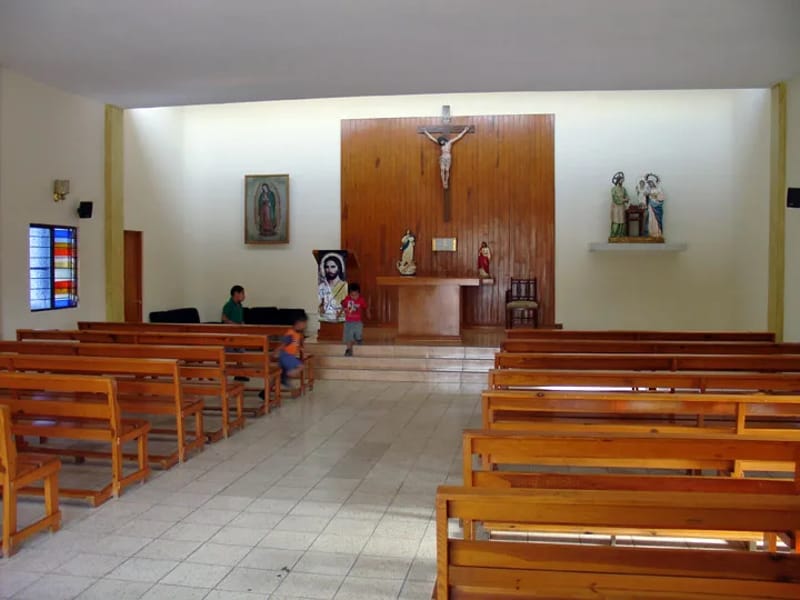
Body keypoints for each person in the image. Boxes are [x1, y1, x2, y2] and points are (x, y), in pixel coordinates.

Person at [275, 313, 307, 389]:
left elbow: (296, 345)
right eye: (304, 324)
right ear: (298, 323)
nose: (305, 326)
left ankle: (264, 393)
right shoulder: (290, 334)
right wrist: (275, 353)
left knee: (278, 376)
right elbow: (282, 345)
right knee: (301, 366)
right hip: (286, 356)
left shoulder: (297, 334)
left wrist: (301, 350)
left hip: (289, 356)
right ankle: (287, 374)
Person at [340, 283, 367, 357]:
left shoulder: (361, 300)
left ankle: (359, 338)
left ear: (359, 293)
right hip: (348, 321)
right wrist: (339, 313)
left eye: (356, 295)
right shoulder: (347, 299)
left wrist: (368, 313)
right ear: (349, 294)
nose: (354, 297)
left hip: (357, 322)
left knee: (358, 334)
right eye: (352, 295)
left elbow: (365, 307)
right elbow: (343, 305)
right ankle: (349, 349)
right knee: (348, 336)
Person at [318, 253, 347, 320]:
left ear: (339, 268)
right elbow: (319, 304)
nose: (329, 270)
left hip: (340, 319)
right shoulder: (322, 286)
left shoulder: (345, 286)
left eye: (333, 266)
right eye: (327, 267)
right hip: (324, 319)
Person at [609, 171, 630, 238]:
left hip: (622, 207)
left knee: (622, 221)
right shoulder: (613, 189)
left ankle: (620, 236)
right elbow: (615, 199)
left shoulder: (624, 189)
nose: (622, 182)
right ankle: (614, 236)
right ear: (618, 180)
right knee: (616, 221)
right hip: (616, 207)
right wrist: (623, 200)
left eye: (623, 181)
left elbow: (627, 196)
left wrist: (627, 199)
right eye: (621, 180)